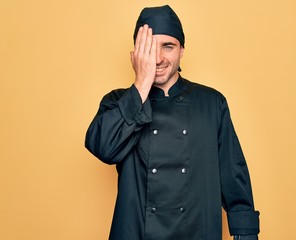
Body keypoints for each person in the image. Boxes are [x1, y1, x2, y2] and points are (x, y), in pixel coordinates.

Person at [85, 5, 260, 240]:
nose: (157, 58)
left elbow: (233, 172)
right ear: (137, 54)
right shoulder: (118, 102)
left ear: (182, 51)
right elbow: (103, 148)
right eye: (148, 48)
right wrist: (141, 86)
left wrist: (245, 233)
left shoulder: (211, 103)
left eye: (167, 46)